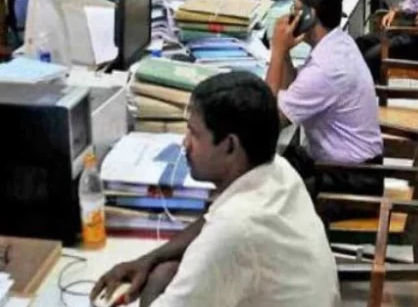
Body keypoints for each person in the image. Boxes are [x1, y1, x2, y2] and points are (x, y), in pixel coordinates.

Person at [89, 72, 340, 307]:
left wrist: (148, 292)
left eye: (194, 133)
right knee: (166, 270)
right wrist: (148, 260)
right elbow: (210, 220)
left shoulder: (235, 228)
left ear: (230, 146)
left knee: (162, 278)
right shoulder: (278, 170)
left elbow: (224, 230)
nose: (185, 143)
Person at [265, 0, 385, 209]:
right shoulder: (339, 42)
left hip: (352, 180)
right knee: (286, 160)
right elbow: (293, 86)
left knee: (269, 191)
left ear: (310, 16)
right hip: (356, 167)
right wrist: (285, 53)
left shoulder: (325, 69)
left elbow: (264, 121)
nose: (291, 16)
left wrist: (277, 51)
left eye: (295, 10)